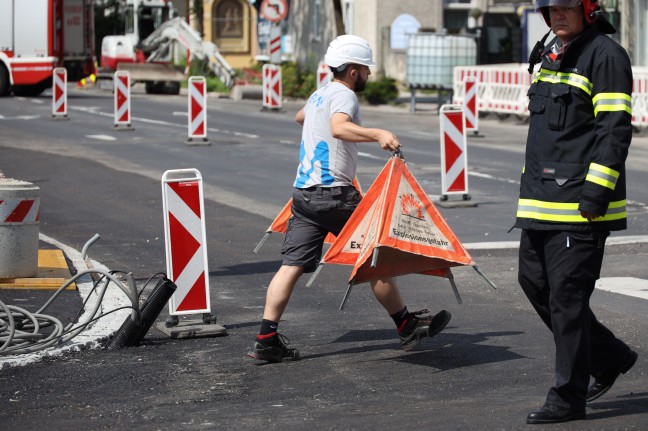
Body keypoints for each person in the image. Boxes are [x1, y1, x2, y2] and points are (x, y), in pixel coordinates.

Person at [247, 35, 451, 363]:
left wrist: (322, 125)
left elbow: (301, 117)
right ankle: (406, 326)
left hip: (304, 195)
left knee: (291, 266)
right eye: (366, 69)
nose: (369, 75)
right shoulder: (345, 96)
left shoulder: (321, 94)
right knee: (376, 256)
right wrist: (378, 134)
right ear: (353, 71)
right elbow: (340, 128)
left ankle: (266, 338)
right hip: (336, 195)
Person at [517, 0, 638, 424]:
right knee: (533, 285)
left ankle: (569, 396)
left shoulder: (605, 55)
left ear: (588, 9)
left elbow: (614, 130)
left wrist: (595, 196)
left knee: (567, 299)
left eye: (568, 7)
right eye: (551, 8)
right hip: (539, 202)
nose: (558, 15)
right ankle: (608, 356)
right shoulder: (552, 52)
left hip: (580, 208)